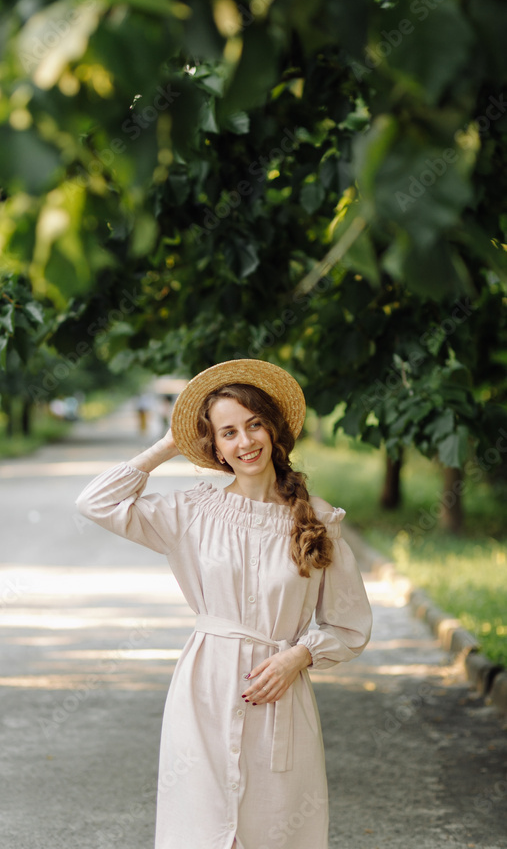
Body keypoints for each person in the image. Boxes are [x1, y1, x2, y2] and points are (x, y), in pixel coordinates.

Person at [76, 359, 372, 849]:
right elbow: (96, 503)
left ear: (273, 430)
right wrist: (170, 443)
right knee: (202, 830)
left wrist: (300, 655)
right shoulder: (191, 511)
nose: (246, 442)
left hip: (282, 696)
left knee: (278, 828)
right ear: (213, 447)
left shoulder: (319, 520)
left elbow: (350, 624)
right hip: (204, 693)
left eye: (254, 425)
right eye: (228, 432)